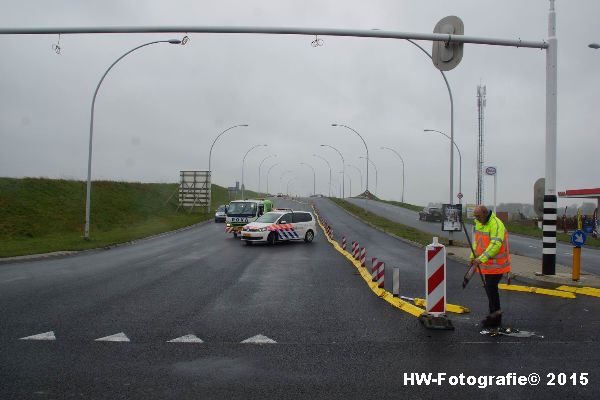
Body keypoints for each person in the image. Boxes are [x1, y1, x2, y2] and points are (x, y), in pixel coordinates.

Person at [470, 205, 511, 329]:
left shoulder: (496, 224)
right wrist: (472, 256)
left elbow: (495, 245)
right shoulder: (479, 223)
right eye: (475, 216)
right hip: (487, 265)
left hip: (498, 265)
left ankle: (496, 315)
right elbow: (476, 243)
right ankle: (493, 314)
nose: (476, 218)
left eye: (478, 216)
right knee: (489, 288)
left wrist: (480, 259)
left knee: (491, 287)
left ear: (485, 213)